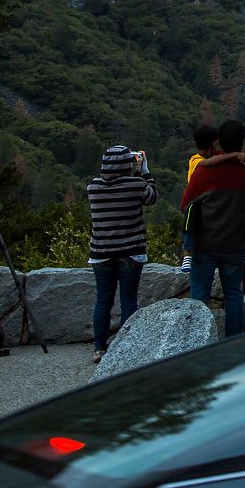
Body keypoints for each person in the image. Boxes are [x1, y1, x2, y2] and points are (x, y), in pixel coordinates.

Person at [181, 119, 245, 336]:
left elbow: (185, 205)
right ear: (242, 143)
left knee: (200, 295)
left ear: (219, 143)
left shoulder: (203, 173)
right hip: (236, 244)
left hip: (205, 244)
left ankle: (197, 344)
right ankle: (233, 343)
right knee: (234, 295)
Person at [86, 144, 158, 363]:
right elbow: (152, 197)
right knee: (128, 300)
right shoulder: (135, 184)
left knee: (103, 301)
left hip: (101, 251)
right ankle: (127, 346)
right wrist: (144, 170)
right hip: (131, 250)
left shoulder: (93, 188)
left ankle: (99, 347)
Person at [182, 124, 245, 275]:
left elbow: (184, 203)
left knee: (200, 290)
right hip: (232, 238)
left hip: (206, 237)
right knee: (234, 290)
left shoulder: (211, 164)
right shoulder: (198, 162)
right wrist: (234, 155)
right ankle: (188, 252)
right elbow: (207, 163)